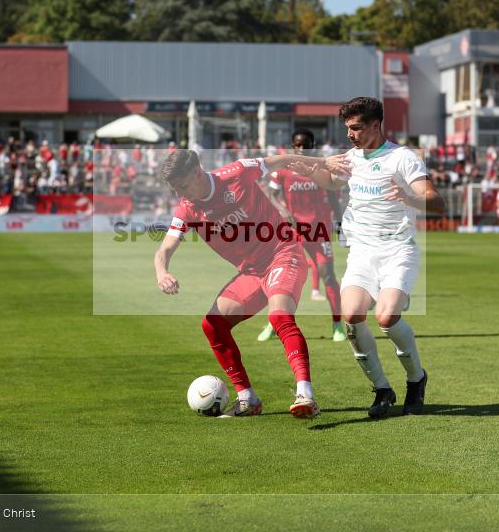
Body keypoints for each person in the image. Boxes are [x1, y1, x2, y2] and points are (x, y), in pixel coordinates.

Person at [154, 149, 346, 418]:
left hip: (284, 252)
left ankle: (305, 394)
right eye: (175, 189)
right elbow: (164, 248)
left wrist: (323, 162)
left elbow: (281, 160)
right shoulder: (187, 208)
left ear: (197, 173)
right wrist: (162, 272)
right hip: (253, 272)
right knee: (213, 326)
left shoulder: (236, 173)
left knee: (279, 316)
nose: (180, 194)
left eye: (183, 186)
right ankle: (248, 398)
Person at [306, 97, 446, 419]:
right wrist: (314, 170)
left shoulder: (403, 158)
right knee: (352, 316)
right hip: (362, 252)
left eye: (356, 128)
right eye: (347, 128)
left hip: (398, 250)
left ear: (374, 125)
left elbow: (436, 202)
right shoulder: (350, 159)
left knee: (385, 317)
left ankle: (416, 378)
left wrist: (410, 197)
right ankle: (382, 389)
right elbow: (330, 181)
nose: (350, 135)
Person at [257, 130, 346, 343]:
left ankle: (337, 326)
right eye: (297, 145)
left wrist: (341, 225)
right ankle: (273, 323)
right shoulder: (283, 171)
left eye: (305, 145)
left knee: (328, 275)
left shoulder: (323, 170)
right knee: (281, 279)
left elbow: (334, 199)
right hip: (293, 232)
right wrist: (283, 211)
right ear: (292, 146)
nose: (300, 149)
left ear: (313, 145)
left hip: (319, 231)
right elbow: (269, 193)